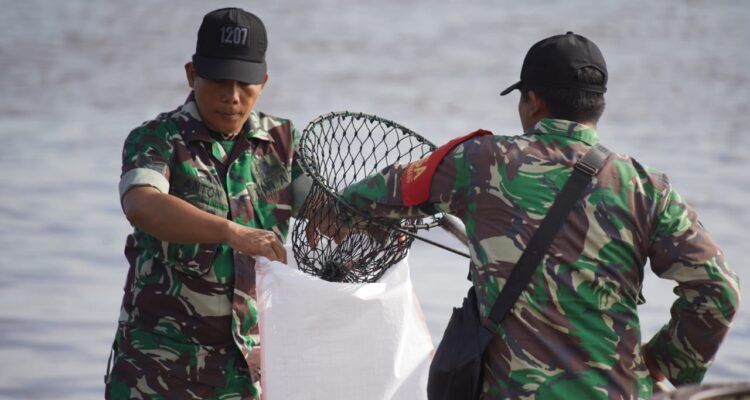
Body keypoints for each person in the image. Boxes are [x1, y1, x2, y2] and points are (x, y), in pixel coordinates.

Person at [335, 32, 740, 399]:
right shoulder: (646, 187)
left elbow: (377, 194)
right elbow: (718, 290)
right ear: (597, 105)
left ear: (534, 102)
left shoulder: (481, 161)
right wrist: (662, 363)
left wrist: (332, 216)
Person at [105, 7, 309, 399]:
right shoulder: (156, 139)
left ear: (263, 83)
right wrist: (231, 232)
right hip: (155, 373)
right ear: (192, 74)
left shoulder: (284, 143)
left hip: (246, 375)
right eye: (218, 80)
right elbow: (142, 204)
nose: (232, 96)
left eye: (245, 83)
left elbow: (322, 208)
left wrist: (379, 206)